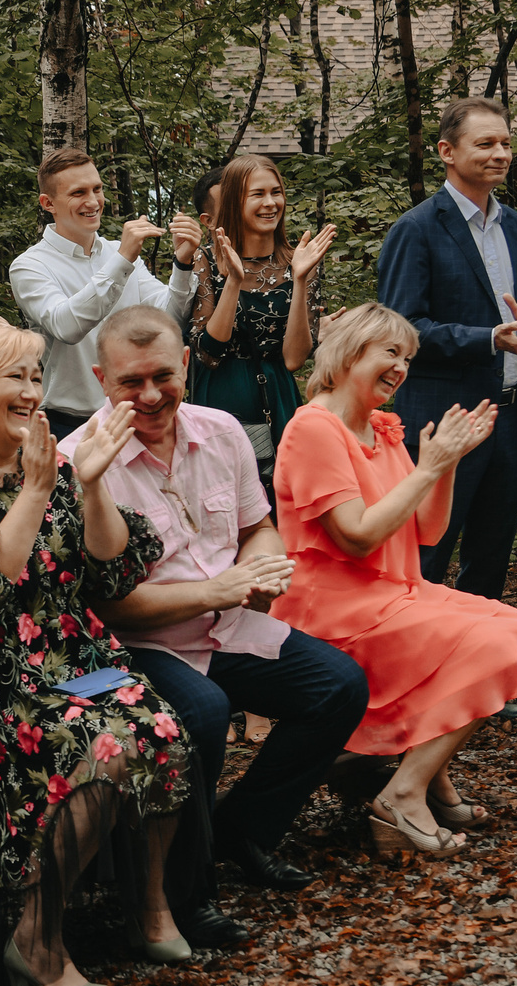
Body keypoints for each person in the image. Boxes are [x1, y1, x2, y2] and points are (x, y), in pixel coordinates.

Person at [0, 319, 193, 986]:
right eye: (13, 377)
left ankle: (150, 909)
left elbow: (114, 569)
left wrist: (89, 484)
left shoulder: (53, 465)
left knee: (162, 728)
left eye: (34, 376)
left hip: (63, 659)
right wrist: (31, 490)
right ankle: (38, 938)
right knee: (98, 744)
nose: (30, 391)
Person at [75, 307, 369, 928]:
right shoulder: (79, 461)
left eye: (163, 375)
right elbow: (105, 604)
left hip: (228, 624)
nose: (151, 395)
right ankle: (186, 893)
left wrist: (262, 572)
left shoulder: (224, 431)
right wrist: (222, 589)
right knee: (201, 713)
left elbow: (257, 528)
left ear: (186, 363)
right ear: (102, 379)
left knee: (338, 687)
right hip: (135, 643)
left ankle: (243, 830)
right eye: (131, 383)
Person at [270, 305, 517, 856]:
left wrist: (441, 465)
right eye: (390, 353)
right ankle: (405, 791)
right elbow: (355, 537)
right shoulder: (313, 429)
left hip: (397, 592)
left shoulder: (381, 426)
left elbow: (427, 531)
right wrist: (427, 468)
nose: (401, 368)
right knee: (492, 645)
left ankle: (428, 773)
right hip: (336, 610)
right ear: (350, 353)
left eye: (408, 358)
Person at [373, 99, 517, 628]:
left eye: (505, 143)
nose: (501, 153)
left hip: (509, 416)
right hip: (445, 419)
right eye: (486, 143)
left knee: (489, 557)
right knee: (428, 556)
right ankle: (420, 675)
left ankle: (484, 675)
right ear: (446, 152)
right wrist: (489, 339)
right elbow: (401, 329)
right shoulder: (417, 229)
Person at [8, 147, 203, 440]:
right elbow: (67, 325)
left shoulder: (118, 253)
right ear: (48, 203)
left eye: (97, 189)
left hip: (139, 414)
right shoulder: (29, 266)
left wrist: (182, 263)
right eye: (78, 193)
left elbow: (166, 320)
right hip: (71, 424)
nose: (93, 201)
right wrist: (122, 260)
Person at [189, 155, 332, 472]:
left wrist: (300, 278)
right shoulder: (208, 259)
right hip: (223, 396)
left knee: (283, 500)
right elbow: (209, 354)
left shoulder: (301, 260)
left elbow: (294, 359)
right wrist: (233, 282)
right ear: (235, 203)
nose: (271, 203)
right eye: (258, 194)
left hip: (279, 397)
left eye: (276, 192)